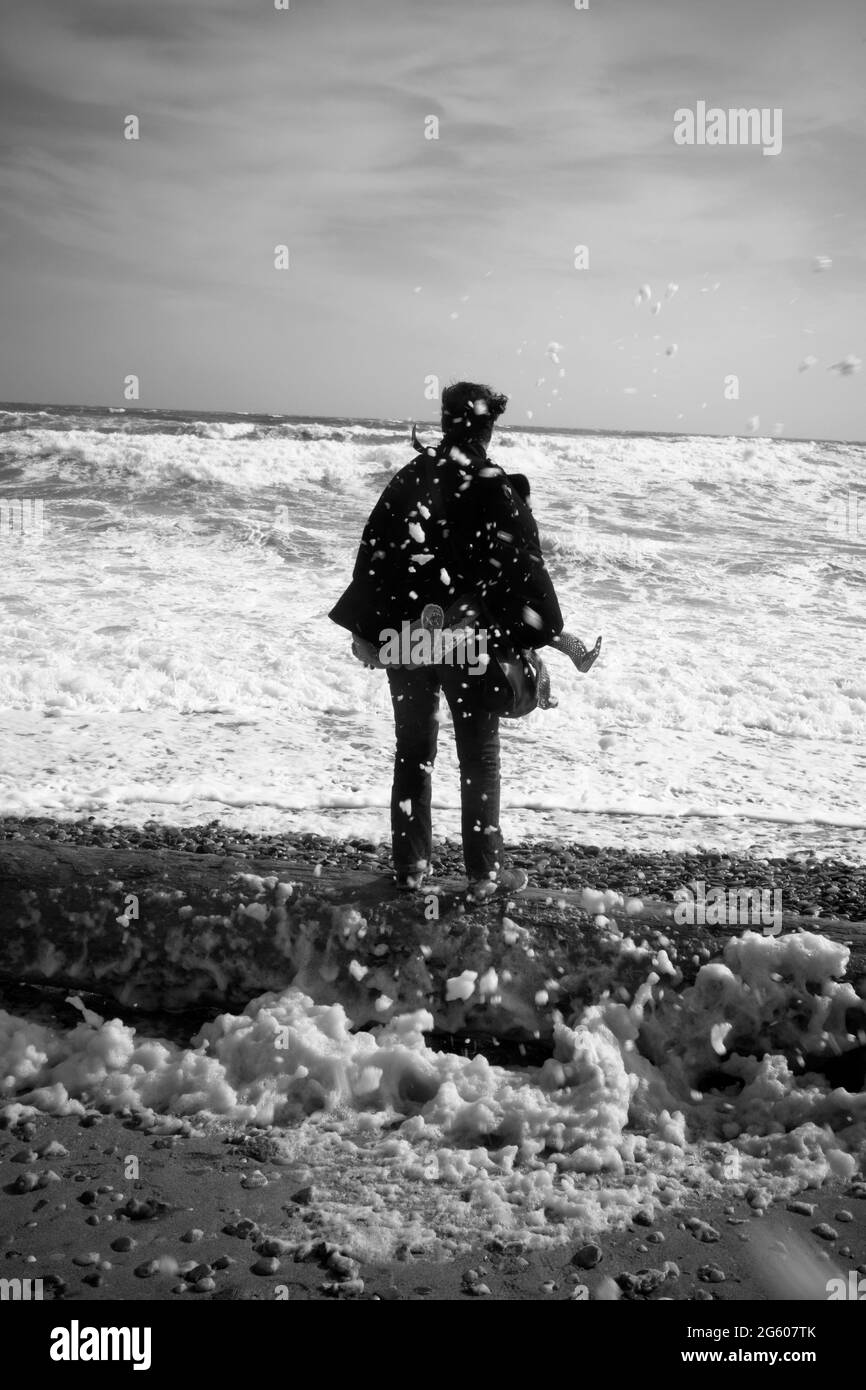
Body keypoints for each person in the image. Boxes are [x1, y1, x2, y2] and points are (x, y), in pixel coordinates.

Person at [328, 381, 564, 898]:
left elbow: (376, 550)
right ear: (487, 426)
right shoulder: (494, 486)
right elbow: (523, 569)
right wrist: (540, 630)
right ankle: (484, 875)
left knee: (413, 751)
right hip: (467, 644)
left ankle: (411, 870)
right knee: (478, 756)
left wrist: (365, 629)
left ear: (443, 421)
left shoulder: (413, 475)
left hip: (409, 639)